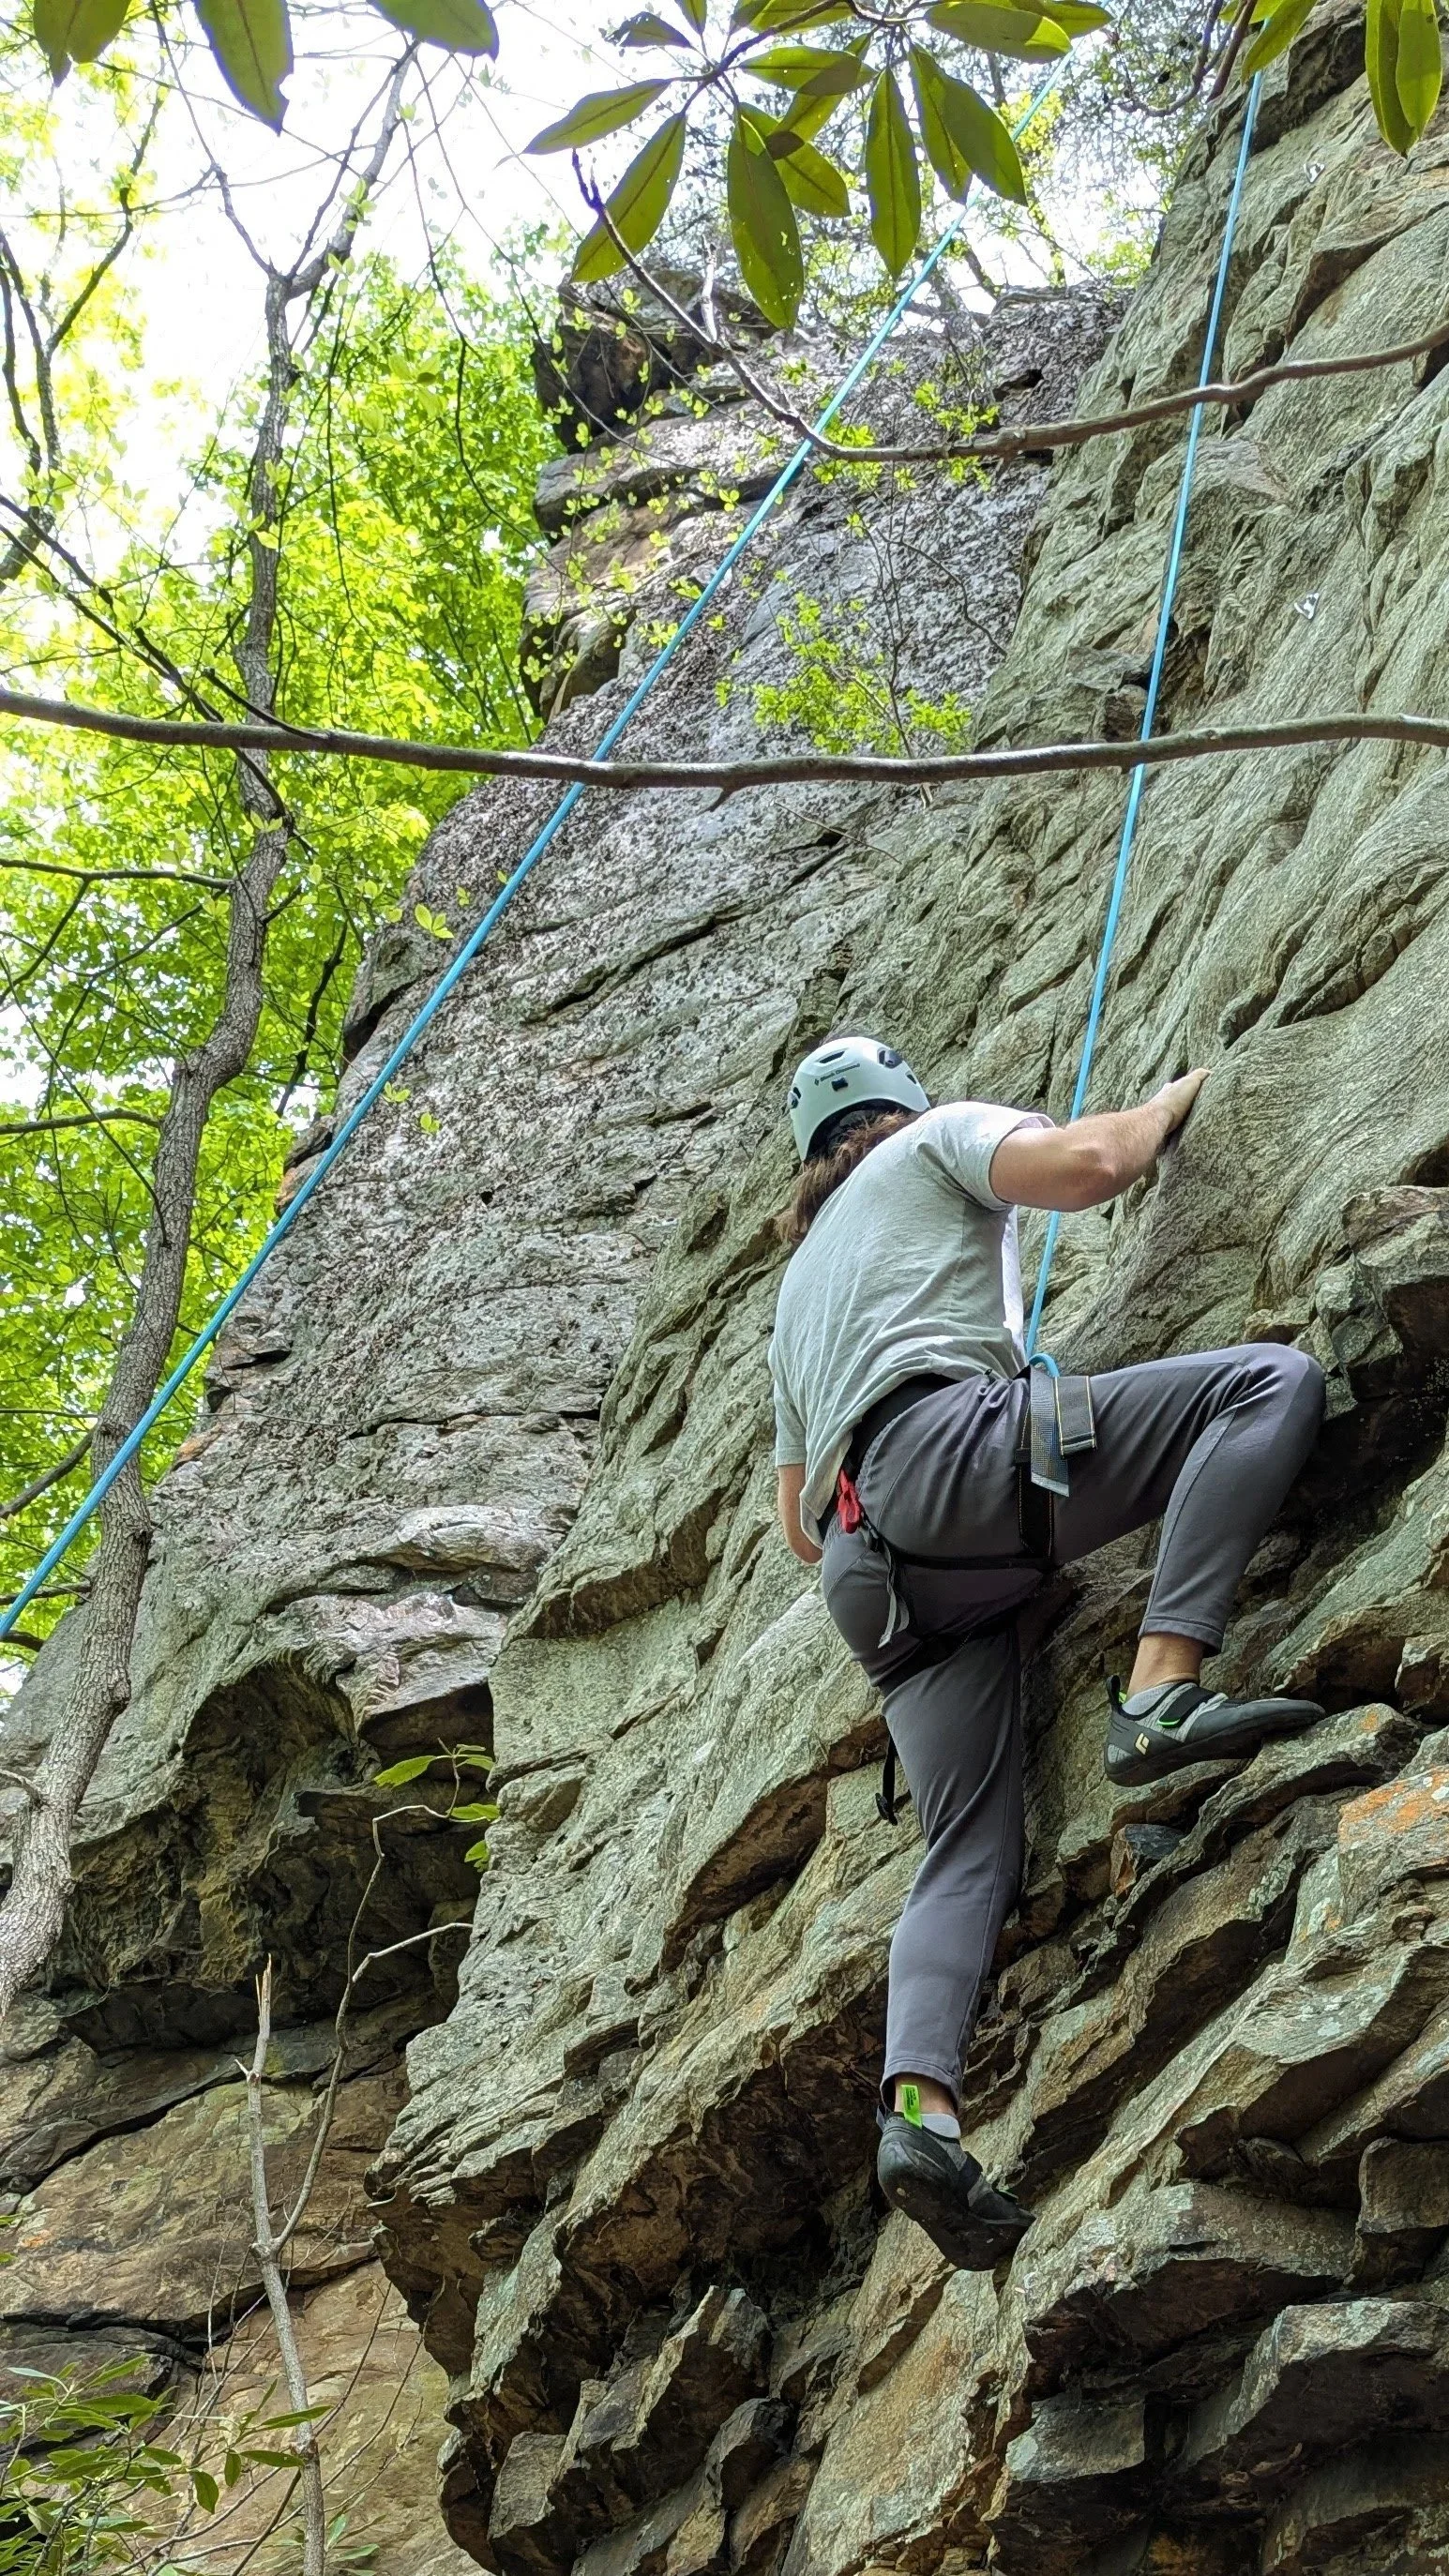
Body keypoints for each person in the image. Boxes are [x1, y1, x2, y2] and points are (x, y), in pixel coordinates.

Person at [769, 1035, 1325, 2273]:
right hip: (951, 1459)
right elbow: (1092, 1162)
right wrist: (1186, 1090)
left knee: (967, 1848)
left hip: (874, 1579)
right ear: (897, 1110)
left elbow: (794, 1522)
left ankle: (920, 2112)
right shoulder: (934, 1139)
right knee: (1265, 1386)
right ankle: (1161, 1694)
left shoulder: (798, 1289)